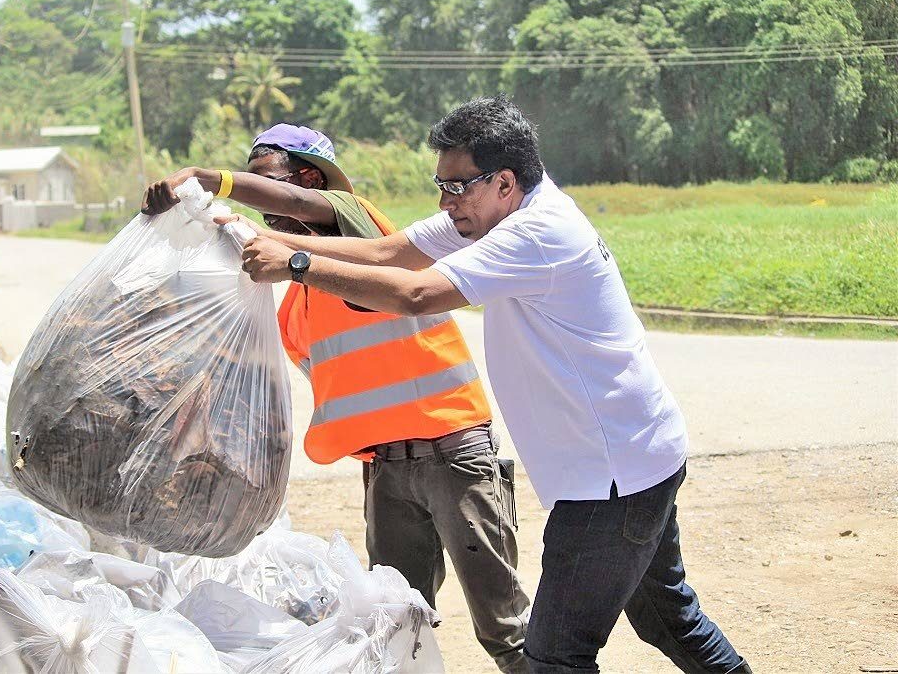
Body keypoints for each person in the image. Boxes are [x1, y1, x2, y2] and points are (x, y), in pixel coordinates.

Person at [220, 97, 752, 674]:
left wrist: (294, 265)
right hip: (637, 454)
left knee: (554, 656)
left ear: (504, 181)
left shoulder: (537, 233)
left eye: (457, 187)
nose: (446, 202)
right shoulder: (498, 212)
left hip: (612, 480)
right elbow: (387, 252)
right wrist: (273, 241)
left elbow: (414, 292)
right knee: (668, 619)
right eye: (440, 185)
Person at [142, 124, 531, 673]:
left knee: (504, 629)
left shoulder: (355, 217)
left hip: (453, 451)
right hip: (385, 471)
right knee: (396, 624)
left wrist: (219, 183)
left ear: (309, 180)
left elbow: (301, 205)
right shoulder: (293, 307)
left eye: (265, 182)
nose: (260, 197)